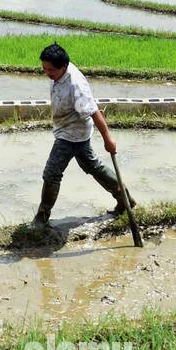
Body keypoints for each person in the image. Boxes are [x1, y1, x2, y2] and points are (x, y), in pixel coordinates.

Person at [32, 43, 130, 226]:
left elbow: (94, 111)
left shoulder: (75, 86)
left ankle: (42, 217)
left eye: (50, 69)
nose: (47, 73)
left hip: (71, 134)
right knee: (94, 167)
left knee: (52, 173)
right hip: (70, 129)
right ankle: (126, 200)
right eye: (44, 68)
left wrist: (108, 139)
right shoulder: (60, 71)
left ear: (63, 67)